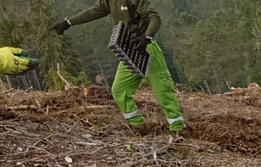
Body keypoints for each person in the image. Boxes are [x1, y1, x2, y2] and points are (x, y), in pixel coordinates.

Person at [50, 0, 185, 135]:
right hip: (129, 50)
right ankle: (139, 126)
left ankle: (178, 128)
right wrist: (68, 23)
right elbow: (92, 12)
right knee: (119, 90)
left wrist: (147, 37)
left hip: (147, 48)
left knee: (162, 89)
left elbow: (155, 17)